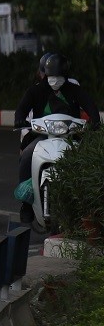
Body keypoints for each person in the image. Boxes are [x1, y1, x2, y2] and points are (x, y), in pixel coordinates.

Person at [14, 53, 100, 223]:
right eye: (51, 76)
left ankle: (89, 205)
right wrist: (19, 118)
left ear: (66, 75)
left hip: (71, 137)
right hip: (42, 136)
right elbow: (21, 108)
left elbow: (91, 106)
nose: (54, 79)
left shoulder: (74, 90)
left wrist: (95, 122)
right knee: (26, 157)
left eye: (58, 76)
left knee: (87, 160)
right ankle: (26, 203)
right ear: (45, 74)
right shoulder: (36, 90)